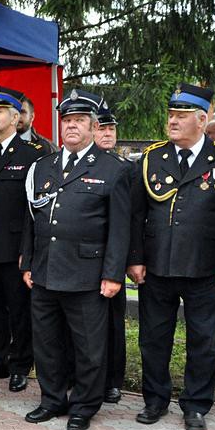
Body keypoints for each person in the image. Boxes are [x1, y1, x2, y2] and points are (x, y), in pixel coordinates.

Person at [128, 84, 215, 430]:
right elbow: (136, 214)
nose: (173, 122)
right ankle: (155, 400)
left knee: (205, 341)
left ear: (202, 119)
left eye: (181, 116)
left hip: (206, 268)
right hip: (156, 266)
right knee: (153, 337)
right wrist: (134, 259)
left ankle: (196, 405)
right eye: (171, 115)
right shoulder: (153, 157)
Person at [19, 90, 132, 430]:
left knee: (88, 346)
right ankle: (52, 399)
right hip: (45, 269)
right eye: (66, 121)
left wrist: (113, 274)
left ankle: (84, 404)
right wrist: (27, 262)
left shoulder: (113, 169)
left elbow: (120, 228)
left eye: (79, 121)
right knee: (47, 342)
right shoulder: (43, 166)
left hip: (87, 272)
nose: (71, 126)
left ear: (93, 127)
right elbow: (31, 218)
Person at [0, 86, 48, 393]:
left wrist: (27, 252)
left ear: (15, 118)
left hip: (14, 248)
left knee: (19, 310)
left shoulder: (33, 155)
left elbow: (33, 209)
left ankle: (20, 364)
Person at [94, 101, 128, 404]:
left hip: (113, 257)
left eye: (111, 128)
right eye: (102, 127)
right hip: (84, 258)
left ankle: (113, 380)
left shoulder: (125, 168)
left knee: (114, 323)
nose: (107, 133)